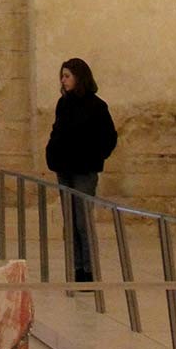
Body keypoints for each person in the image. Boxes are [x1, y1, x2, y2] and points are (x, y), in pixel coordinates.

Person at [44, 57, 117, 282]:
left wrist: (94, 157)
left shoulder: (96, 106)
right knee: (70, 221)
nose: (63, 81)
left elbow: (109, 137)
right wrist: (52, 153)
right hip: (64, 167)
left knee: (83, 221)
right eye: (62, 76)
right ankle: (76, 268)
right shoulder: (63, 103)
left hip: (84, 169)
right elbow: (58, 131)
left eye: (67, 76)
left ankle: (89, 269)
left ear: (79, 77)